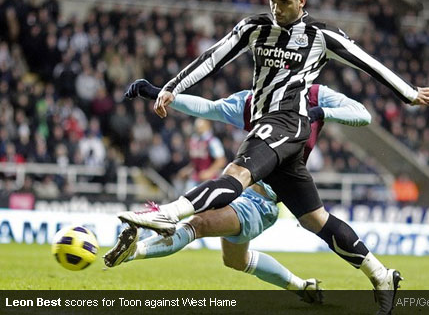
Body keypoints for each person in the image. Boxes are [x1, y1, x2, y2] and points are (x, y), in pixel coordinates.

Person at [118, 0, 429, 314]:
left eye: (284, 3)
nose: (277, 9)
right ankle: (381, 275)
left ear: (302, 2)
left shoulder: (320, 36)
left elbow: (366, 61)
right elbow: (213, 58)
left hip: (288, 122)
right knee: (315, 219)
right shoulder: (254, 29)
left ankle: (166, 213)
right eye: (273, 1)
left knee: (235, 174)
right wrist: (171, 87)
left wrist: (408, 94)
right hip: (269, 128)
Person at [105, 78, 371, 303]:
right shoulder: (251, 99)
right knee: (236, 260)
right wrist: (157, 92)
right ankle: (302, 287)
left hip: (260, 201)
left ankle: (134, 252)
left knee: (198, 224)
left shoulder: (313, 97)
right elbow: (207, 107)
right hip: (237, 191)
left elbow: (361, 114)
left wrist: (323, 113)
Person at [177, 118, 226, 190]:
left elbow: (221, 160)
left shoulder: (212, 141)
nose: (198, 127)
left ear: (207, 126)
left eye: (201, 125)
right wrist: (187, 170)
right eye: (197, 126)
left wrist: (209, 172)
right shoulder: (194, 140)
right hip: (195, 177)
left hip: (209, 180)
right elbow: (195, 162)